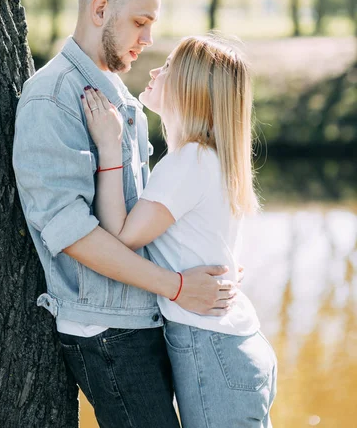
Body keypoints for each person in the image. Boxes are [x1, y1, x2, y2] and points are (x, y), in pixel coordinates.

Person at [12, 0, 241, 428]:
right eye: (141, 22)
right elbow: (72, 233)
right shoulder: (50, 99)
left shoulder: (116, 94)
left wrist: (205, 263)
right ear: (100, 11)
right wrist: (177, 286)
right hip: (106, 330)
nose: (149, 40)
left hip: (143, 314)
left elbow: (145, 215)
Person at [82, 34, 278, 428]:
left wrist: (108, 146)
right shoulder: (209, 159)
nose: (155, 70)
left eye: (169, 66)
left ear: (191, 88)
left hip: (213, 348)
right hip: (233, 346)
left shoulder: (188, 161)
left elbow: (120, 236)